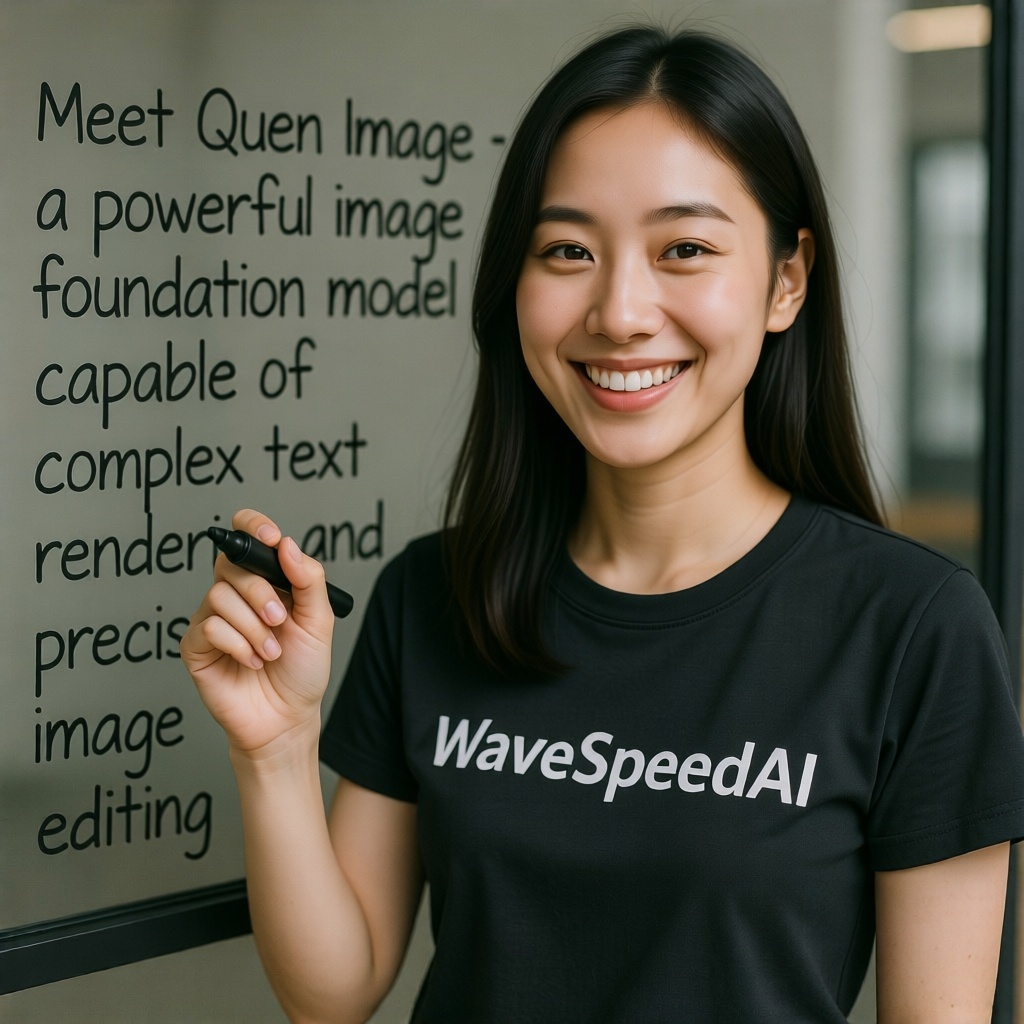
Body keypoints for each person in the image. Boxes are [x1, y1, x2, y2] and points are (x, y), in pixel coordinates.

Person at [181, 24, 1024, 1024]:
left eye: (685, 250)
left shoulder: (911, 626)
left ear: (787, 281)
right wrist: (276, 750)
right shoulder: (434, 596)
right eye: (568, 251)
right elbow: (334, 990)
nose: (620, 312)